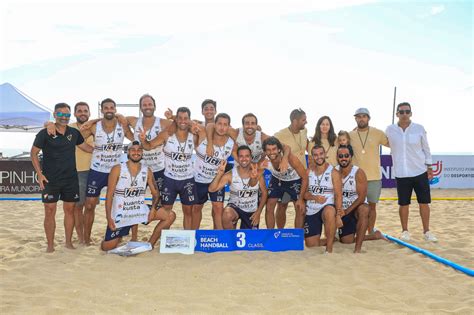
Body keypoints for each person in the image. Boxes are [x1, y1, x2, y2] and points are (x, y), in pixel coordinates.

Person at [30, 103, 93, 252]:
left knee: (69, 210)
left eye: (67, 115)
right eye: (60, 114)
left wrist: (107, 150)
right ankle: (50, 246)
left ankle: (68, 242)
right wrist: (39, 174)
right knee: (50, 210)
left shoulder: (74, 133)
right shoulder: (45, 133)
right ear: (54, 114)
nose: (64, 117)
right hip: (50, 179)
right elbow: (33, 153)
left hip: (70, 179)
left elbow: (87, 148)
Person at [101, 141, 176, 251]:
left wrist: (153, 210)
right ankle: (121, 235)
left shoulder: (147, 170)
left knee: (170, 215)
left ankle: (149, 245)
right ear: (128, 152)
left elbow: (156, 193)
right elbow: (109, 196)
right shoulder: (117, 169)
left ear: (142, 153)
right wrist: (109, 218)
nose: (136, 152)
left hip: (138, 210)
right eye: (133, 150)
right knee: (107, 247)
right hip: (121, 213)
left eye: (139, 150)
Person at [80, 98, 134, 245]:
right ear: (102, 110)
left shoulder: (122, 126)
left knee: (118, 204)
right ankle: (86, 239)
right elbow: (78, 139)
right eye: (106, 108)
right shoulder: (94, 126)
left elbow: (135, 139)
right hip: (97, 170)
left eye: (112, 108)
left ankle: (117, 235)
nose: (109, 110)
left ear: (115, 110)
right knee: (90, 204)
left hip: (116, 171)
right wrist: (91, 149)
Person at [386, 102, 437, 242]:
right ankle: (405, 231)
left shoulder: (419, 128)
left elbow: (426, 149)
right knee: (403, 204)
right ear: (397, 114)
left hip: (419, 171)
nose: (404, 114)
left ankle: (427, 232)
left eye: (407, 111)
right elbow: (379, 139)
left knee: (424, 203)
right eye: (401, 112)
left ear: (411, 113)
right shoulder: (390, 130)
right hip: (401, 173)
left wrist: (430, 167)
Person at [141, 107, 199, 229]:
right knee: (166, 211)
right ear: (176, 119)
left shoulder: (193, 134)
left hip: (187, 179)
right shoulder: (167, 134)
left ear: (189, 120)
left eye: (186, 118)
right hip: (169, 179)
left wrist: (192, 124)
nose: (183, 121)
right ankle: (164, 237)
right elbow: (148, 146)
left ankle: (187, 240)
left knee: (188, 212)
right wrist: (143, 140)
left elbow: (205, 126)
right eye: (180, 118)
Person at [335, 145, 384, 253]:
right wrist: (339, 212)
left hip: (355, 208)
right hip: (341, 209)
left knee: (364, 209)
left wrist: (346, 211)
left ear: (351, 157)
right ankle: (374, 236)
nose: (343, 158)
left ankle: (357, 249)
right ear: (337, 157)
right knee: (347, 241)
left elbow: (361, 198)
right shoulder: (334, 172)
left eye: (346, 155)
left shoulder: (358, 173)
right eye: (341, 156)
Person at [349, 108, 389, 235]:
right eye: (359, 116)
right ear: (355, 119)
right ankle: (355, 230)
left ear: (368, 118)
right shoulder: (350, 135)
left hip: (374, 177)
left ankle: (370, 230)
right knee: (355, 206)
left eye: (364, 116)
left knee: (372, 206)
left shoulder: (378, 133)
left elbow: (394, 143)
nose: (361, 119)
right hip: (356, 178)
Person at [209, 145, 268, 229]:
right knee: (226, 215)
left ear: (251, 158)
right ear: (237, 158)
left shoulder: (257, 173)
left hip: (251, 211)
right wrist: (220, 174)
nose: (244, 159)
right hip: (235, 208)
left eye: (247, 156)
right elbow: (211, 189)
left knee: (250, 240)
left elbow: (264, 193)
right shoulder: (230, 174)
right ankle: (231, 240)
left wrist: (258, 212)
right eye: (241, 156)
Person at [193, 113, 234, 229]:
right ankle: (195, 234)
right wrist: (171, 117)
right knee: (196, 208)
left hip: (216, 180)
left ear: (228, 127)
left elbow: (242, 158)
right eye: (219, 124)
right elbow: (187, 122)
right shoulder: (203, 133)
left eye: (225, 125)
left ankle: (219, 235)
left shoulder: (231, 143)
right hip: (199, 179)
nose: (222, 127)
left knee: (218, 208)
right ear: (214, 125)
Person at [261, 137, 308, 229]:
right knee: (275, 205)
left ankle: (297, 236)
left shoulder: (290, 158)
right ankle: (274, 234)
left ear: (279, 149)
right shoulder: (264, 160)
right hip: (278, 180)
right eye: (268, 150)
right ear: (265, 151)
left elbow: (305, 178)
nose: (271, 152)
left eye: (274, 149)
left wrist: (301, 198)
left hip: (294, 181)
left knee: (299, 207)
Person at [273, 108, 308, 228]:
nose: (306, 122)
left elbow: (307, 146)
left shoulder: (304, 131)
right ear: (295, 121)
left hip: (302, 177)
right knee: (282, 205)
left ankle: (298, 235)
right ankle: (281, 232)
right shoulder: (280, 135)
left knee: (300, 206)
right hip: (287, 178)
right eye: (303, 120)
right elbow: (269, 145)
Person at [303, 145, 342, 252]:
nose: (318, 157)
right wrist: (314, 197)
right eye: (315, 155)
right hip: (312, 209)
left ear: (325, 154)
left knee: (329, 211)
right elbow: (304, 194)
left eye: (321, 154)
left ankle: (329, 249)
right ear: (312, 157)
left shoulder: (333, 172)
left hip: (327, 207)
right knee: (311, 244)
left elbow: (338, 195)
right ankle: (332, 238)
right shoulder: (308, 172)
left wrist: (338, 215)